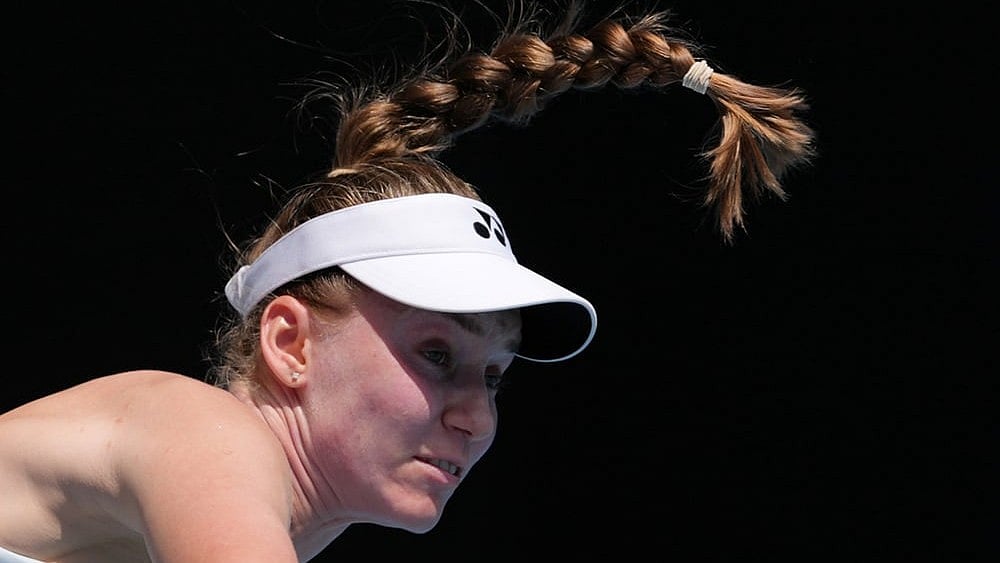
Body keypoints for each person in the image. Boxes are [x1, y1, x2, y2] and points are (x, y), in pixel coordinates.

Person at [0, 1, 814, 561]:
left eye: (494, 375)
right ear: (288, 341)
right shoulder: (203, 429)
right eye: (435, 353)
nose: (477, 416)